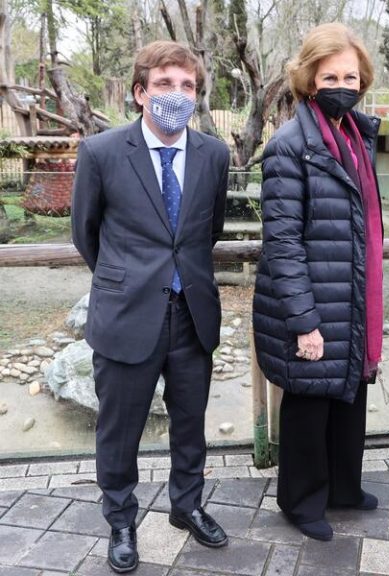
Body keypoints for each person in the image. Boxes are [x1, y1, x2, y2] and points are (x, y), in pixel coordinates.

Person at [71, 41, 230, 573]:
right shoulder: (101, 153)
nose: (177, 95)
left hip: (192, 314)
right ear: (141, 93)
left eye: (187, 86)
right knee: (119, 430)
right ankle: (120, 520)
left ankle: (187, 506)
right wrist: (128, 279)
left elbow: (207, 233)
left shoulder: (214, 154)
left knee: (191, 423)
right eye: (164, 84)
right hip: (126, 314)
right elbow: (85, 235)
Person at [251, 23, 383, 542]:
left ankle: (343, 487)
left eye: (351, 75)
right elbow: (282, 242)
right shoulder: (290, 146)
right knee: (310, 403)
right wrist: (304, 320)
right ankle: (302, 502)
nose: (342, 84)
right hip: (311, 300)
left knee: (349, 396)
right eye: (331, 75)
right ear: (309, 81)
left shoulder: (357, 135)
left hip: (349, 295)